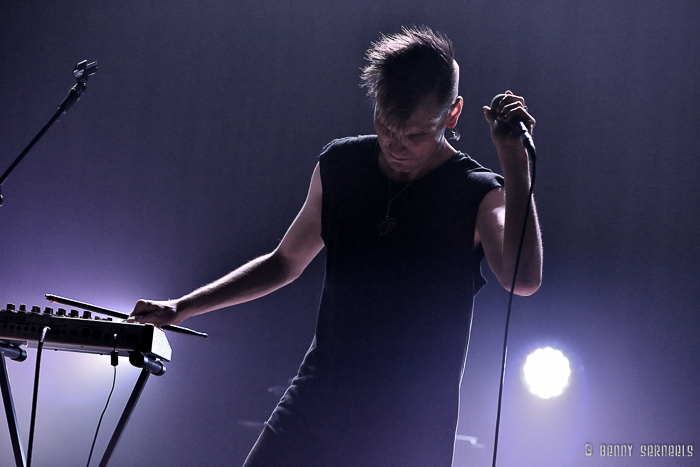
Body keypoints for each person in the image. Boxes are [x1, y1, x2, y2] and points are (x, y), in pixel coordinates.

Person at [130, 26, 542, 467]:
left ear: (453, 114)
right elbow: (284, 261)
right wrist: (183, 305)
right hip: (317, 397)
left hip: (411, 422)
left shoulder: (476, 192)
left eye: (416, 135)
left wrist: (514, 164)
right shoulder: (341, 166)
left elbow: (523, 280)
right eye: (385, 126)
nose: (395, 145)